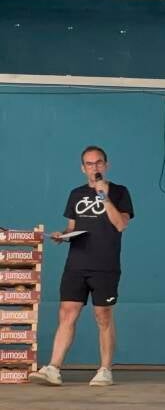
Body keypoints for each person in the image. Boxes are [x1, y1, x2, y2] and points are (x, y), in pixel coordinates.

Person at [30, 146, 134, 386]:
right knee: (67, 312)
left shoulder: (120, 192)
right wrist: (62, 235)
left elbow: (120, 224)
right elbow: (72, 226)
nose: (94, 167)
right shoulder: (76, 194)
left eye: (98, 163)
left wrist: (104, 196)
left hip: (105, 264)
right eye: (89, 163)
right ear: (82, 168)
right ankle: (53, 368)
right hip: (76, 263)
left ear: (106, 165)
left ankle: (105, 370)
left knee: (103, 315)